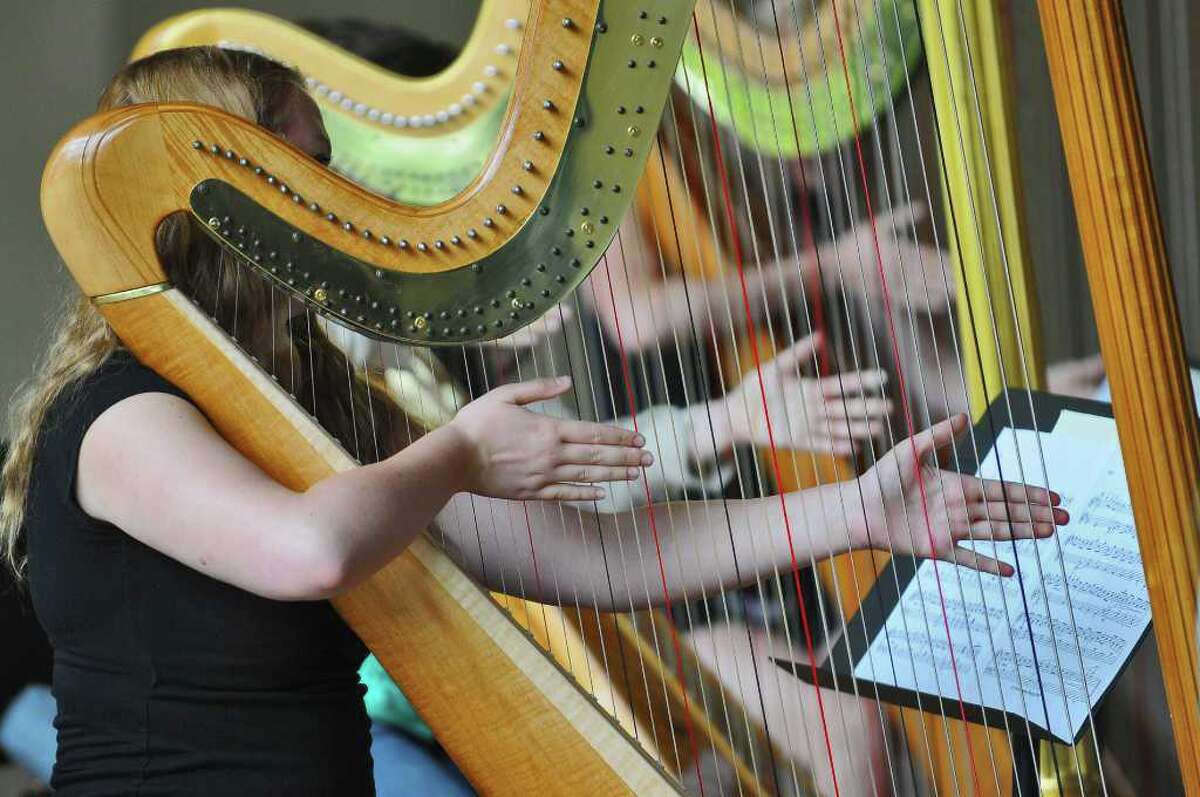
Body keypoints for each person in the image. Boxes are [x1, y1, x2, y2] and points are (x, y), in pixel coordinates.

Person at [1, 46, 1067, 794]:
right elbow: (310, 547)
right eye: (309, 171)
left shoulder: (309, 412)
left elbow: (597, 558)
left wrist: (859, 511)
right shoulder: (119, 415)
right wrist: (460, 448)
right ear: (229, 204)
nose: (342, 203)